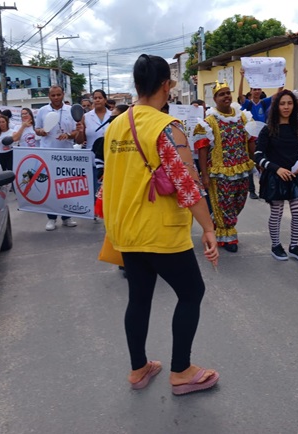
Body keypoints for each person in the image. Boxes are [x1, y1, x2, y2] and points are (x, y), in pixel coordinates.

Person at [103, 53, 219, 395]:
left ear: (136, 86)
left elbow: (110, 180)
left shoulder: (115, 125)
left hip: (126, 230)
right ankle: (181, 371)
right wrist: (209, 227)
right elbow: (188, 183)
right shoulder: (166, 127)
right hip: (161, 231)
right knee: (192, 292)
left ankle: (139, 368)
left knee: (139, 298)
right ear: (166, 86)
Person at [193, 80, 256, 252]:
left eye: (228, 92)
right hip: (219, 172)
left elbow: (251, 141)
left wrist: (256, 161)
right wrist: (204, 175)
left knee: (239, 202)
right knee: (224, 204)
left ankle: (217, 223)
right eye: (222, 94)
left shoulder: (243, 117)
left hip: (241, 168)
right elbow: (203, 150)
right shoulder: (208, 122)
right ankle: (227, 237)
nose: (226, 96)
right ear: (215, 99)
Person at [254, 90, 298, 262]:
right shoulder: (267, 130)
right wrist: (276, 169)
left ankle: (294, 246)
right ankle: (276, 245)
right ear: (276, 106)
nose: (286, 107)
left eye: (290, 103)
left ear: (295, 106)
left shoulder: (297, 128)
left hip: (294, 176)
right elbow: (258, 155)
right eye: (282, 103)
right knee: (277, 212)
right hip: (275, 177)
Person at [36, 85, 79, 231]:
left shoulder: (70, 110)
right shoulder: (42, 111)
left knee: (65, 186)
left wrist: (68, 135)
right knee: (50, 188)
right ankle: (51, 218)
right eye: (53, 95)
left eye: (58, 95)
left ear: (63, 95)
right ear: (49, 96)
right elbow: (37, 129)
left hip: (66, 154)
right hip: (47, 154)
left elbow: (76, 131)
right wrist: (41, 131)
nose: (56, 98)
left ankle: (67, 217)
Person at [238, 68, 284, 199]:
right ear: (251, 91)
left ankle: (265, 188)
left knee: (263, 163)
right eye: (254, 89)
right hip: (249, 139)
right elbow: (240, 95)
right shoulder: (247, 104)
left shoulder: (264, 103)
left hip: (263, 138)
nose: (257, 91)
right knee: (251, 163)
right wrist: (242, 77)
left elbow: (278, 94)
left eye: (259, 89)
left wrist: (282, 77)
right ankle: (251, 190)